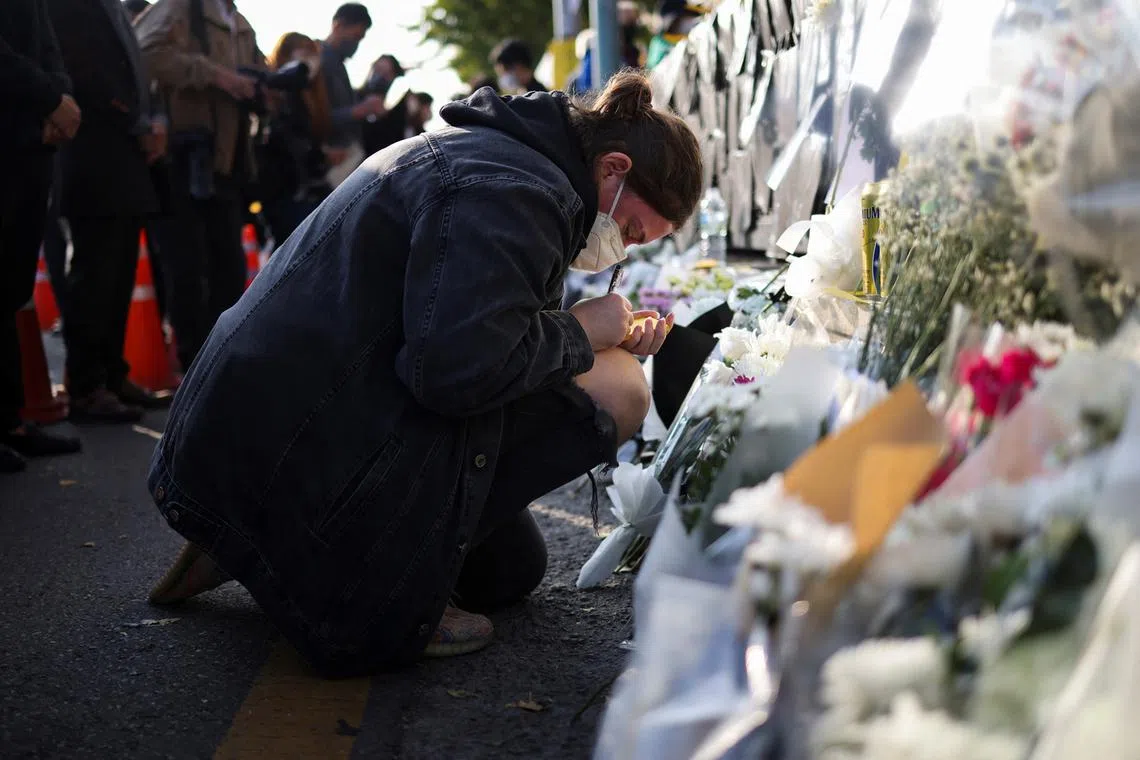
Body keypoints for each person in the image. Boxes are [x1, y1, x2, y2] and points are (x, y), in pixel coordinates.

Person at [144, 70, 703, 675]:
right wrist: (581, 332)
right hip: (297, 436)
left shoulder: (503, 160)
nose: (622, 248)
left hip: (264, 424)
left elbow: (462, 329)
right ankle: (324, 559)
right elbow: (456, 370)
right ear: (614, 169)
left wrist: (582, 330)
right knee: (619, 388)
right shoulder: (515, 190)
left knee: (511, 570)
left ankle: (250, 535)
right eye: (629, 230)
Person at [47, 0, 171, 423]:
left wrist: (147, 123)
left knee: (117, 273)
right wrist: (136, 118)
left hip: (121, 155)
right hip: (93, 151)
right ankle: (86, 385)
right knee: (95, 274)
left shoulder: (111, 8)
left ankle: (112, 374)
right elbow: (84, 70)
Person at [135, 0, 264, 375]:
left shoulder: (239, 20)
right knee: (188, 267)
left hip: (228, 162)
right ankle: (195, 365)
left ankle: (221, 362)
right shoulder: (180, 7)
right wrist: (213, 74)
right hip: (185, 157)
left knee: (229, 266)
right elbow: (145, 53)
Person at [0, 0, 84, 474]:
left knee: (10, 289)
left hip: (30, 143)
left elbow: (49, 49)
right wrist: (52, 98)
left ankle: (9, 421)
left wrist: (60, 103)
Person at [257, 32, 334, 245]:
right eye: (302, 53)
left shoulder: (313, 96)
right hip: (284, 189)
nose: (309, 61)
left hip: (311, 187)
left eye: (311, 54)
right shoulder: (277, 90)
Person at [321, 3, 383, 180]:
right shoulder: (319, 61)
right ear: (338, 25)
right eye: (356, 36)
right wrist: (359, 110)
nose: (356, 44)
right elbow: (312, 116)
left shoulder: (337, 64)